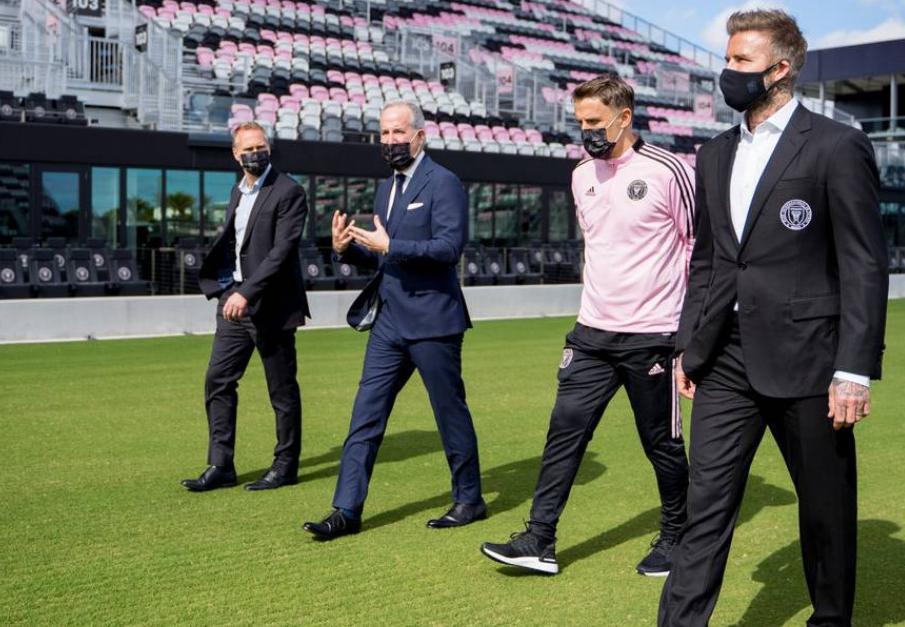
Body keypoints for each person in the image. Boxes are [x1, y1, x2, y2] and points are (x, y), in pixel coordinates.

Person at [658, 9, 888, 627]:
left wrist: (855, 372)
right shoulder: (712, 154)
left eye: (740, 61)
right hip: (726, 359)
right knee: (703, 506)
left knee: (824, 508)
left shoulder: (837, 145)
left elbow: (864, 264)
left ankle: (830, 619)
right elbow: (708, 260)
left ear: (779, 69)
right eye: (727, 58)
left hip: (813, 361)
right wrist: (689, 347)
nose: (726, 71)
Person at [479, 74, 693, 576]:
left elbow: (698, 249)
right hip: (591, 335)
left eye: (595, 122)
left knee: (660, 444)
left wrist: (689, 339)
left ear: (625, 117)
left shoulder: (669, 170)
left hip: (654, 336)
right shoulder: (580, 175)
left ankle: (677, 536)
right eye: (580, 123)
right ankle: (539, 539)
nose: (587, 131)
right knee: (564, 432)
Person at [302, 99, 486, 540]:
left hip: (434, 323)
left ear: (419, 136)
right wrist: (348, 248)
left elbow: (448, 249)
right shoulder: (387, 188)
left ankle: (469, 499)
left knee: (449, 415)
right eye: (384, 134)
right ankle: (346, 510)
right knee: (365, 415)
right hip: (389, 323)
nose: (389, 142)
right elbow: (387, 257)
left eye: (398, 133)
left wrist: (389, 247)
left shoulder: (444, 183)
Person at [181, 121, 310, 493]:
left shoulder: (289, 191)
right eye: (249, 148)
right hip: (233, 302)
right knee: (217, 381)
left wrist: (246, 293)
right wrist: (227, 290)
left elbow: (280, 254)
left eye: (262, 146)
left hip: (270, 305)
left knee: (281, 392)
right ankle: (221, 465)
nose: (257, 152)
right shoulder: (238, 191)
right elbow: (235, 243)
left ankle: (285, 465)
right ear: (236, 154)